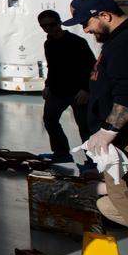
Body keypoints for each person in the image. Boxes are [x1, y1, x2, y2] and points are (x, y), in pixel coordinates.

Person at [65, 0, 128, 255]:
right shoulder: (119, 41)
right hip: (125, 135)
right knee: (115, 200)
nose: (85, 30)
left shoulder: (126, 42)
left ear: (104, 15)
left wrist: (109, 130)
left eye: (86, 23)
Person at [37, 9, 95, 163]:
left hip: (77, 92)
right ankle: (61, 153)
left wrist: (86, 89)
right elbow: (52, 67)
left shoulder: (77, 42)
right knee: (49, 120)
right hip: (57, 91)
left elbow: (91, 67)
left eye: (52, 24)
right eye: (44, 26)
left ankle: (93, 162)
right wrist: (48, 86)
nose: (48, 29)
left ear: (59, 23)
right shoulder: (49, 43)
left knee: (84, 127)